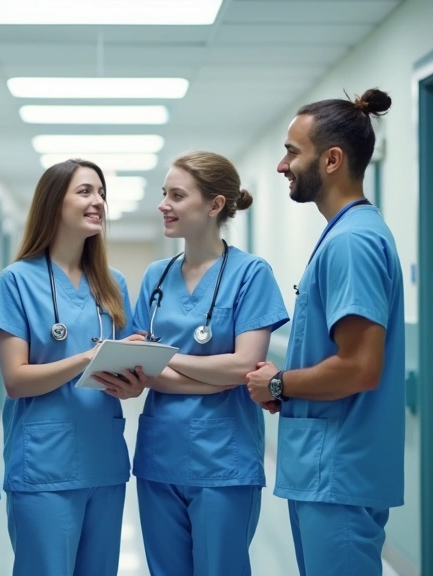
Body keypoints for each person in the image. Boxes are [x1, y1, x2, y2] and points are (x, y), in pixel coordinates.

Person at [246, 88, 405, 576]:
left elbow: (359, 367)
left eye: (293, 152)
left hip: (338, 472)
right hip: (328, 470)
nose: (281, 166)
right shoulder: (346, 232)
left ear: (332, 159)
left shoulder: (353, 241)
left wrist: (279, 383)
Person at [0, 158, 146, 576]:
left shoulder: (113, 284)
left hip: (104, 464)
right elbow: (15, 380)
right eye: (86, 191)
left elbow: (131, 376)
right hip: (43, 468)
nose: (98, 202)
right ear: (55, 204)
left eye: (102, 193)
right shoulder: (16, 281)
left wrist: (132, 385)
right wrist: (85, 359)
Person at [130, 151, 290, 576]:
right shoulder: (156, 278)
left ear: (215, 204)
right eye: (164, 193)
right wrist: (211, 375)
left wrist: (169, 361)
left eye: (177, 195)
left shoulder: (251, 274)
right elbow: (140, 367)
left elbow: (245, 367)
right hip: (159, 456)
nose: (163, 203)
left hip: (224, 459)